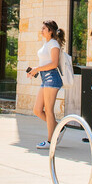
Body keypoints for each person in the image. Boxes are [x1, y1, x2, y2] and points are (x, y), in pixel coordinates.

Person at [27, 20, 66, 149]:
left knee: (49, 110)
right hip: (45, 78)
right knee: (37, 110)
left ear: (50, 31)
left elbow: (54, 64)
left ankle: (50, 141)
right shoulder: (47, 43)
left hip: (52, 78)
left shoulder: (54, 44)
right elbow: (45, 62)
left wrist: (37, 68)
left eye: (44, 28)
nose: (42, 30)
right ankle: (58, 127)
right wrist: (34, 70)